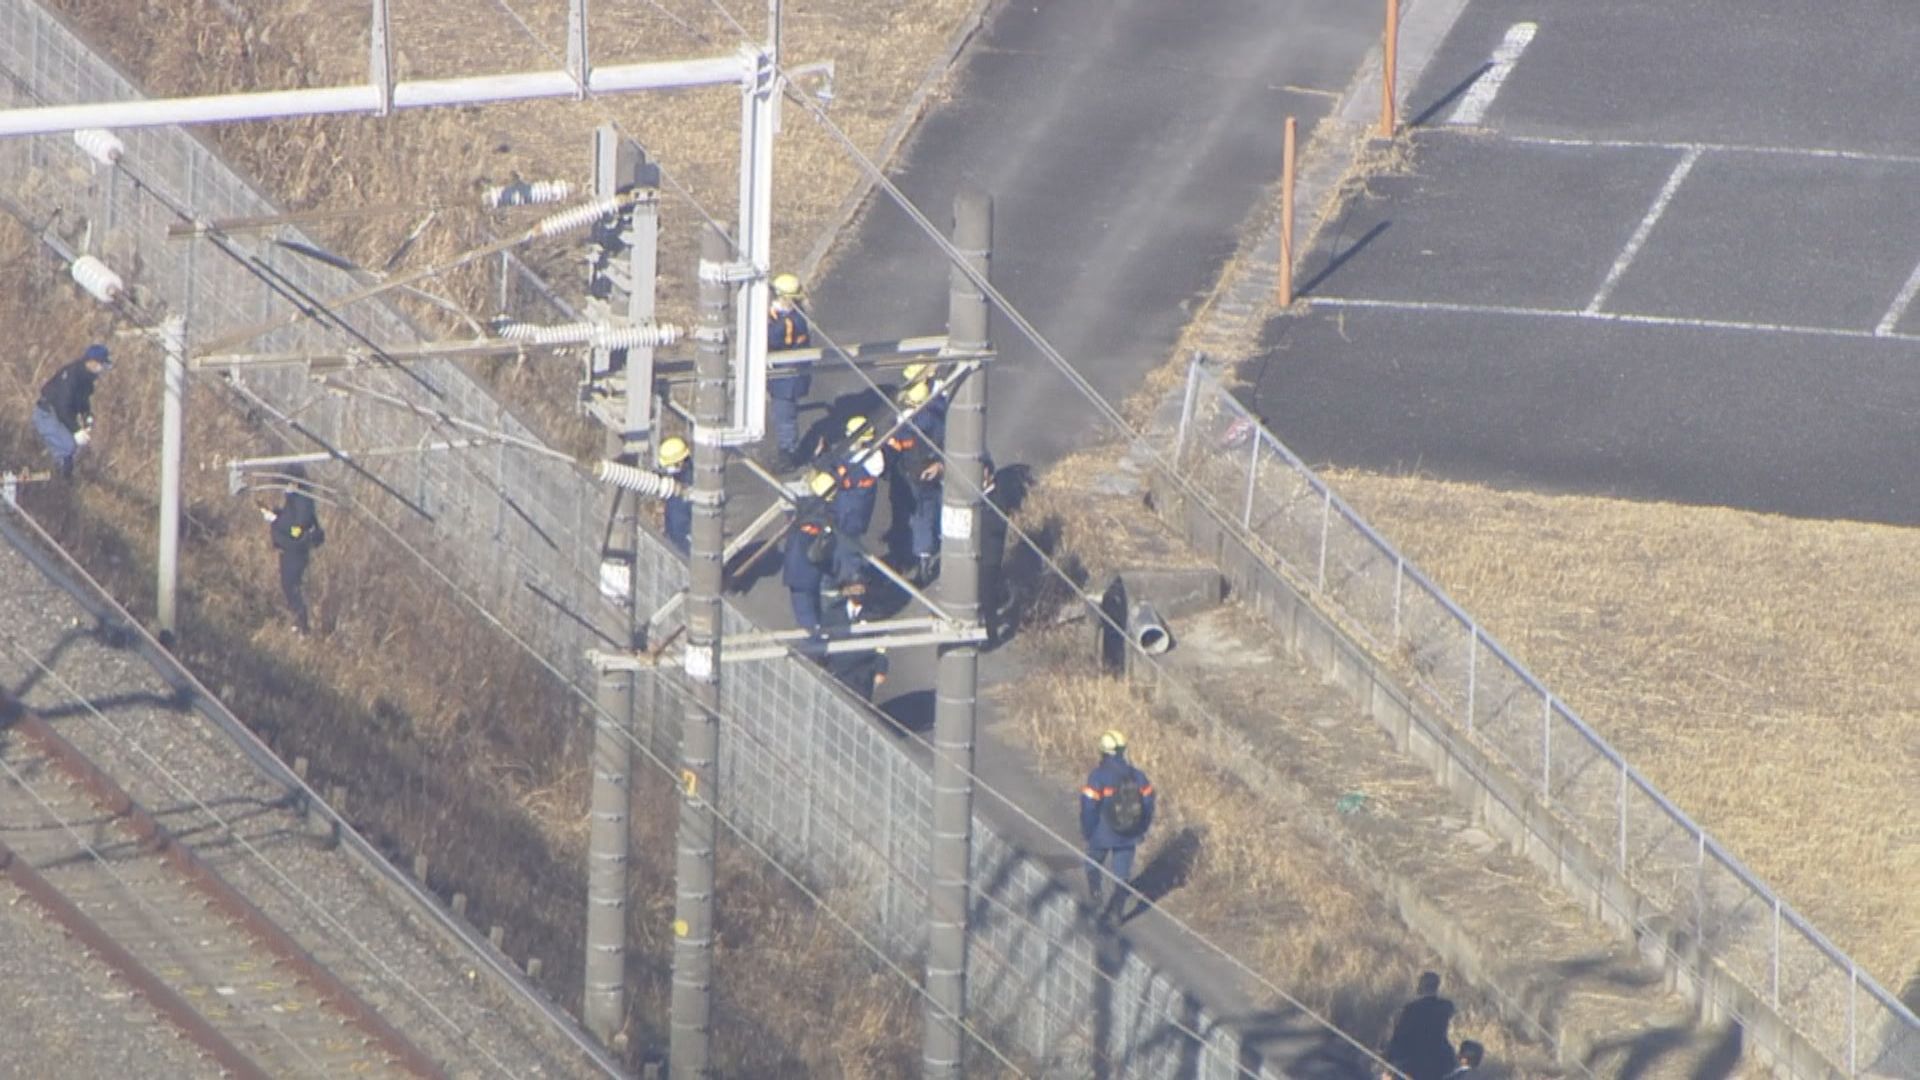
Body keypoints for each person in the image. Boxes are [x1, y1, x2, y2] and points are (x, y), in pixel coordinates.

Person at [1080, 729, 1155, 920]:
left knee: (1092, 863)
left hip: (1101, 834)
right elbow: (1148, 804)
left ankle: (1096, 896)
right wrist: (1140, 829)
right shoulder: (1138, 776)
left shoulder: (1097, 777)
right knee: (1122, 875)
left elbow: (1088, 807)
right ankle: (1117, 913)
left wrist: (1089, 831)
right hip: (1129, 834)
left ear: (1103, 751)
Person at [884, 374, 948, 584]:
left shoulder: (915, 423)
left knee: (920, 516)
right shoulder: (935, 416)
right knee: (925, 513)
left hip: (914, 474)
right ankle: (923, 553)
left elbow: (894, 446)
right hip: (917, 473)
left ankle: (922, 561)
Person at [261, 466, 326, 636]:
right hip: (290, 549)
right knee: (288, 585)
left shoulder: (302, 501)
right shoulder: (296, 499)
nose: (285, 488)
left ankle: (302, 627)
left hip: (296, 551)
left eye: (287, 483)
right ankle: (299, 624)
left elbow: (296, 528)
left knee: (291, 586)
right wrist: (277, 514)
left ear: (295, 483)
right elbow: (291, 521)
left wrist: (276, 520)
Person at [32, 344, 112, 478]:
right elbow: (62, 407)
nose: (102, 369)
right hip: (47, 414)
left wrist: (87, 419)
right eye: (101, 364)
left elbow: (83, 404)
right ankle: (49, 474)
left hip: (60, 417)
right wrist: (76, 430)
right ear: (92, 362)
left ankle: (62, 479)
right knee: (67, 446)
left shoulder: (87, 380)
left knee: (72, 448)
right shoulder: (71, 375)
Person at [828, 415, 885, 584]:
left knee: (848, 543)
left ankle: (851, 577)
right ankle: (840, 574)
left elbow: (848, 479)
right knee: (838, 542)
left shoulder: (872, 459)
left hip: (854, 507)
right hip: (843, 504)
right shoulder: (850, 452)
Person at [765, 272, 812, 470]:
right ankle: (787, 449)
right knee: (783, 414)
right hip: (785, 376)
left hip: (788, 378)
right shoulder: (791, 317)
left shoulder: (790, 322)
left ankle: (789, 454)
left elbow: (773, 339)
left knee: (785, 417)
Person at [783, 475, 837, 635]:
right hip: (814, 573)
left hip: (799, 576)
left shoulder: (802, 519)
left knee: (806, 617)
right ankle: (821, 637)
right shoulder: (827, 517)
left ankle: (817, 647)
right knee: (815, 609)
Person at [820, 578, 889, 699]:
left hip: (862, 674)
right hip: (837, 670)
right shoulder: (833, 613)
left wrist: (881, 669)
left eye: (861, 589)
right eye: (855, 589)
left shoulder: (875, 614)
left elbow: (882, 644)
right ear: (847, 591)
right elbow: (823, 639)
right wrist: (821, 664)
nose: (859, 593)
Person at [1383, 971, 1457, 1080]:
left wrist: (1388, 1059)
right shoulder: (1444, 1007)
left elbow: (1399, 1038)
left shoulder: (1411, 1010)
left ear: (1420, 987)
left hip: (1413, 1065)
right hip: (1439, 1063)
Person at [656, 436, 692, 554]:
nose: (666, 470)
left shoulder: (684, 489)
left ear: (679, 463)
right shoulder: (682, 478)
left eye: (668, 466)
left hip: (684, 547)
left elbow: (679, 528)